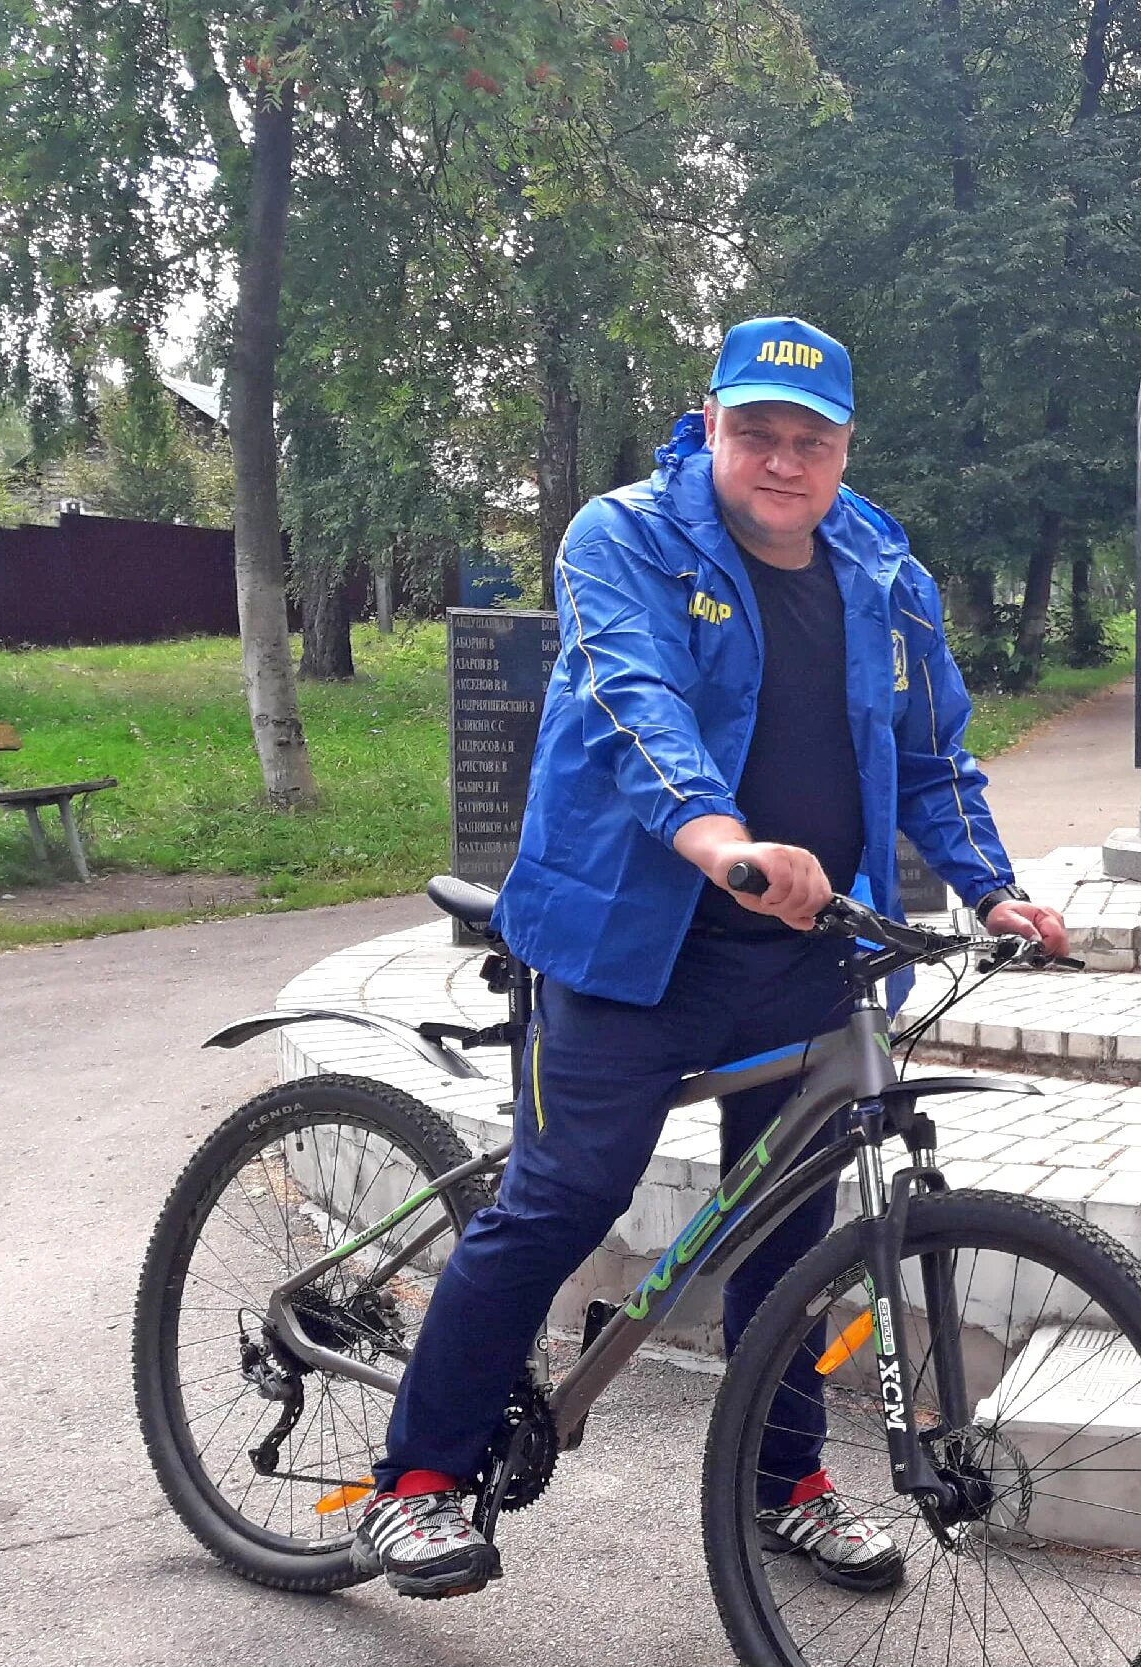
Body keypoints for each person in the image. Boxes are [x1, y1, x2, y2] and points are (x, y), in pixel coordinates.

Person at [352, 315, 1068, 1600]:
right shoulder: (622, 535)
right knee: (565, 1197)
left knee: (791, 1233)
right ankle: (416, 1482)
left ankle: (779, 1479)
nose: (782, 462)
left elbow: (928, 753)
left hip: (802, 954)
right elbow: (637, 703)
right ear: (710, 423)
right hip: (636, 939)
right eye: (757, 433)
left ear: (844, 449)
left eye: (811, 440)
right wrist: (722, 839)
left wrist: (994, 888)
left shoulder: (881, 568)